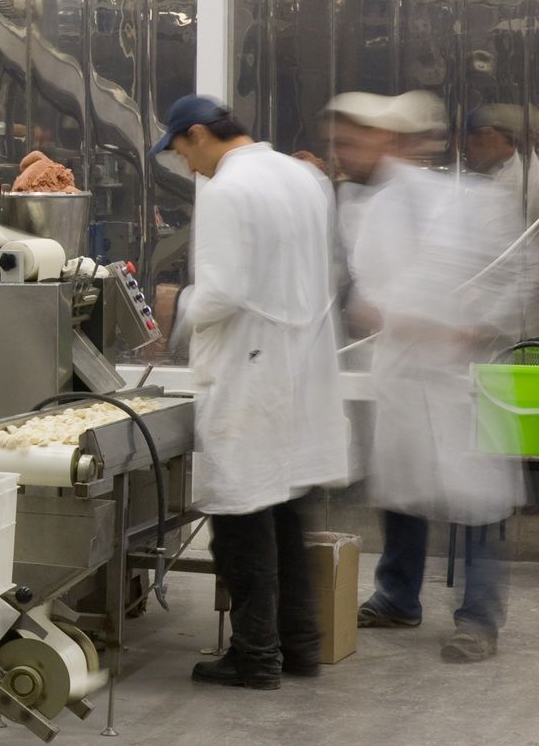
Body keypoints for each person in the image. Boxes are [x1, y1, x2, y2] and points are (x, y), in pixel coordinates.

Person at [151, 94, 349, 688]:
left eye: (181, 152)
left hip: (250, 370)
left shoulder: (227, 189)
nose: (187, 166)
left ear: (197, 134)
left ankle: (256, 655)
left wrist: (175, 308)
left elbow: (222, 293)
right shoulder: (304, 177)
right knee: (286, 511)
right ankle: (300, 645)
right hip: (300, 366)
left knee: (240, 517)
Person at [330, 90, 521, 663]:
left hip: (459, 375)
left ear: (395, 141)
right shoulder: (367, 207)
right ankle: (397, 597)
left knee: (476, 506)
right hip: (403, 373)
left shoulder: (472, 200)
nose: (345, 153)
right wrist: (377, 311)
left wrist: (479, 328)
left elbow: (515, 276)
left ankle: (479, 618)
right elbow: (369, 288)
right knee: (402, 492)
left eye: (355, 141)